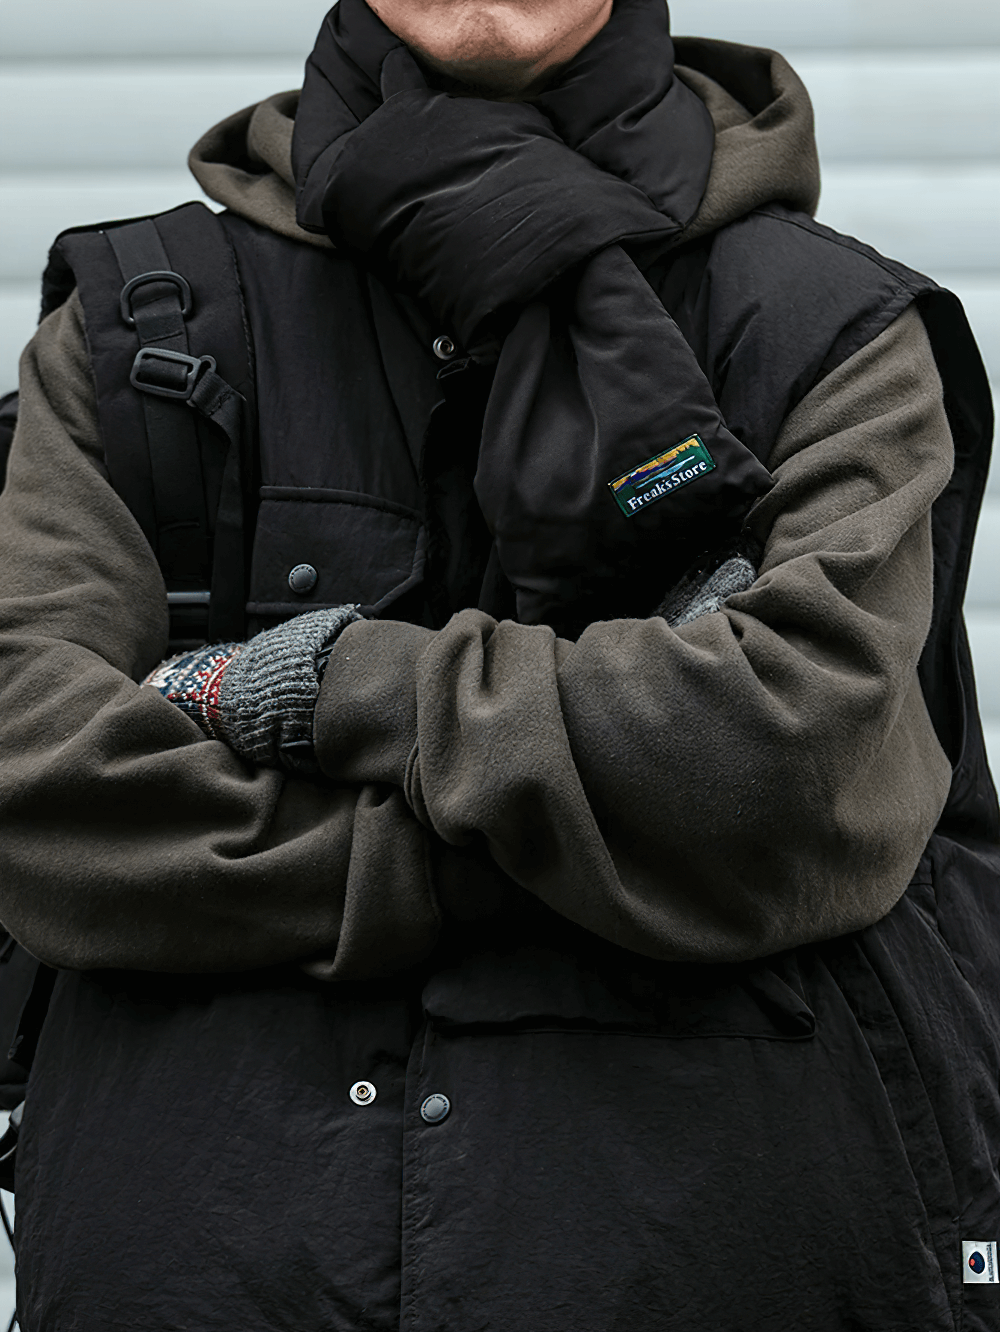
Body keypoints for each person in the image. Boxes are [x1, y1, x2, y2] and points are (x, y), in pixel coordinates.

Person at [0, 0, 997, 1327]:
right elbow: (29, 768)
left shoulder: (834, 330)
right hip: (202, 1270)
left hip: (730, 1266)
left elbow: (793, 768)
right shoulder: (138, 331)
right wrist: (575, 822)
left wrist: (335, 684)